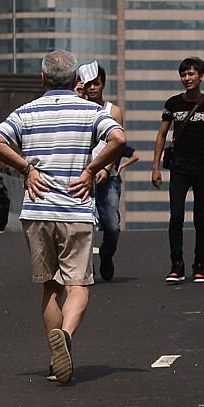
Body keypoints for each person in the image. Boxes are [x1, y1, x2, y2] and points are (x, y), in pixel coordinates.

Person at [0, 50, 126, 384]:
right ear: (77, 80)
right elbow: (118, 138)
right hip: (75, 207)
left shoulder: (26, 111)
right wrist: (92, 169)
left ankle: (54, 360)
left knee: (50, 287)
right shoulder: (90, 110)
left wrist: (26, 167)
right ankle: (65, 335)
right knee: (78, 285)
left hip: (36, 209)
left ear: (44, 79)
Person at [152, 57, 204, 284]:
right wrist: (155, 167)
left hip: (202, 168)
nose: (187, 78)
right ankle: (176, 264)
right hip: (179, 167)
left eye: (191, 74)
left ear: (200, 76)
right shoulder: (173, 104)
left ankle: (200, 264)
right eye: (183, 74)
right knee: (176, 215)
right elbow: (161, 135)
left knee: (201, 218)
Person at [83, 64, 125, 281]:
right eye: (88, 84)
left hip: (109, 177)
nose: (92, 88)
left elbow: (118, 145)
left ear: (103, 85)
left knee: (112, 225)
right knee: (83, 225)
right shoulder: (79, 109)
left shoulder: (113, 111)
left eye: (96, 84)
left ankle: (106, 255)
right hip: (83, 177)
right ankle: (85, 266)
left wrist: (107, 168)